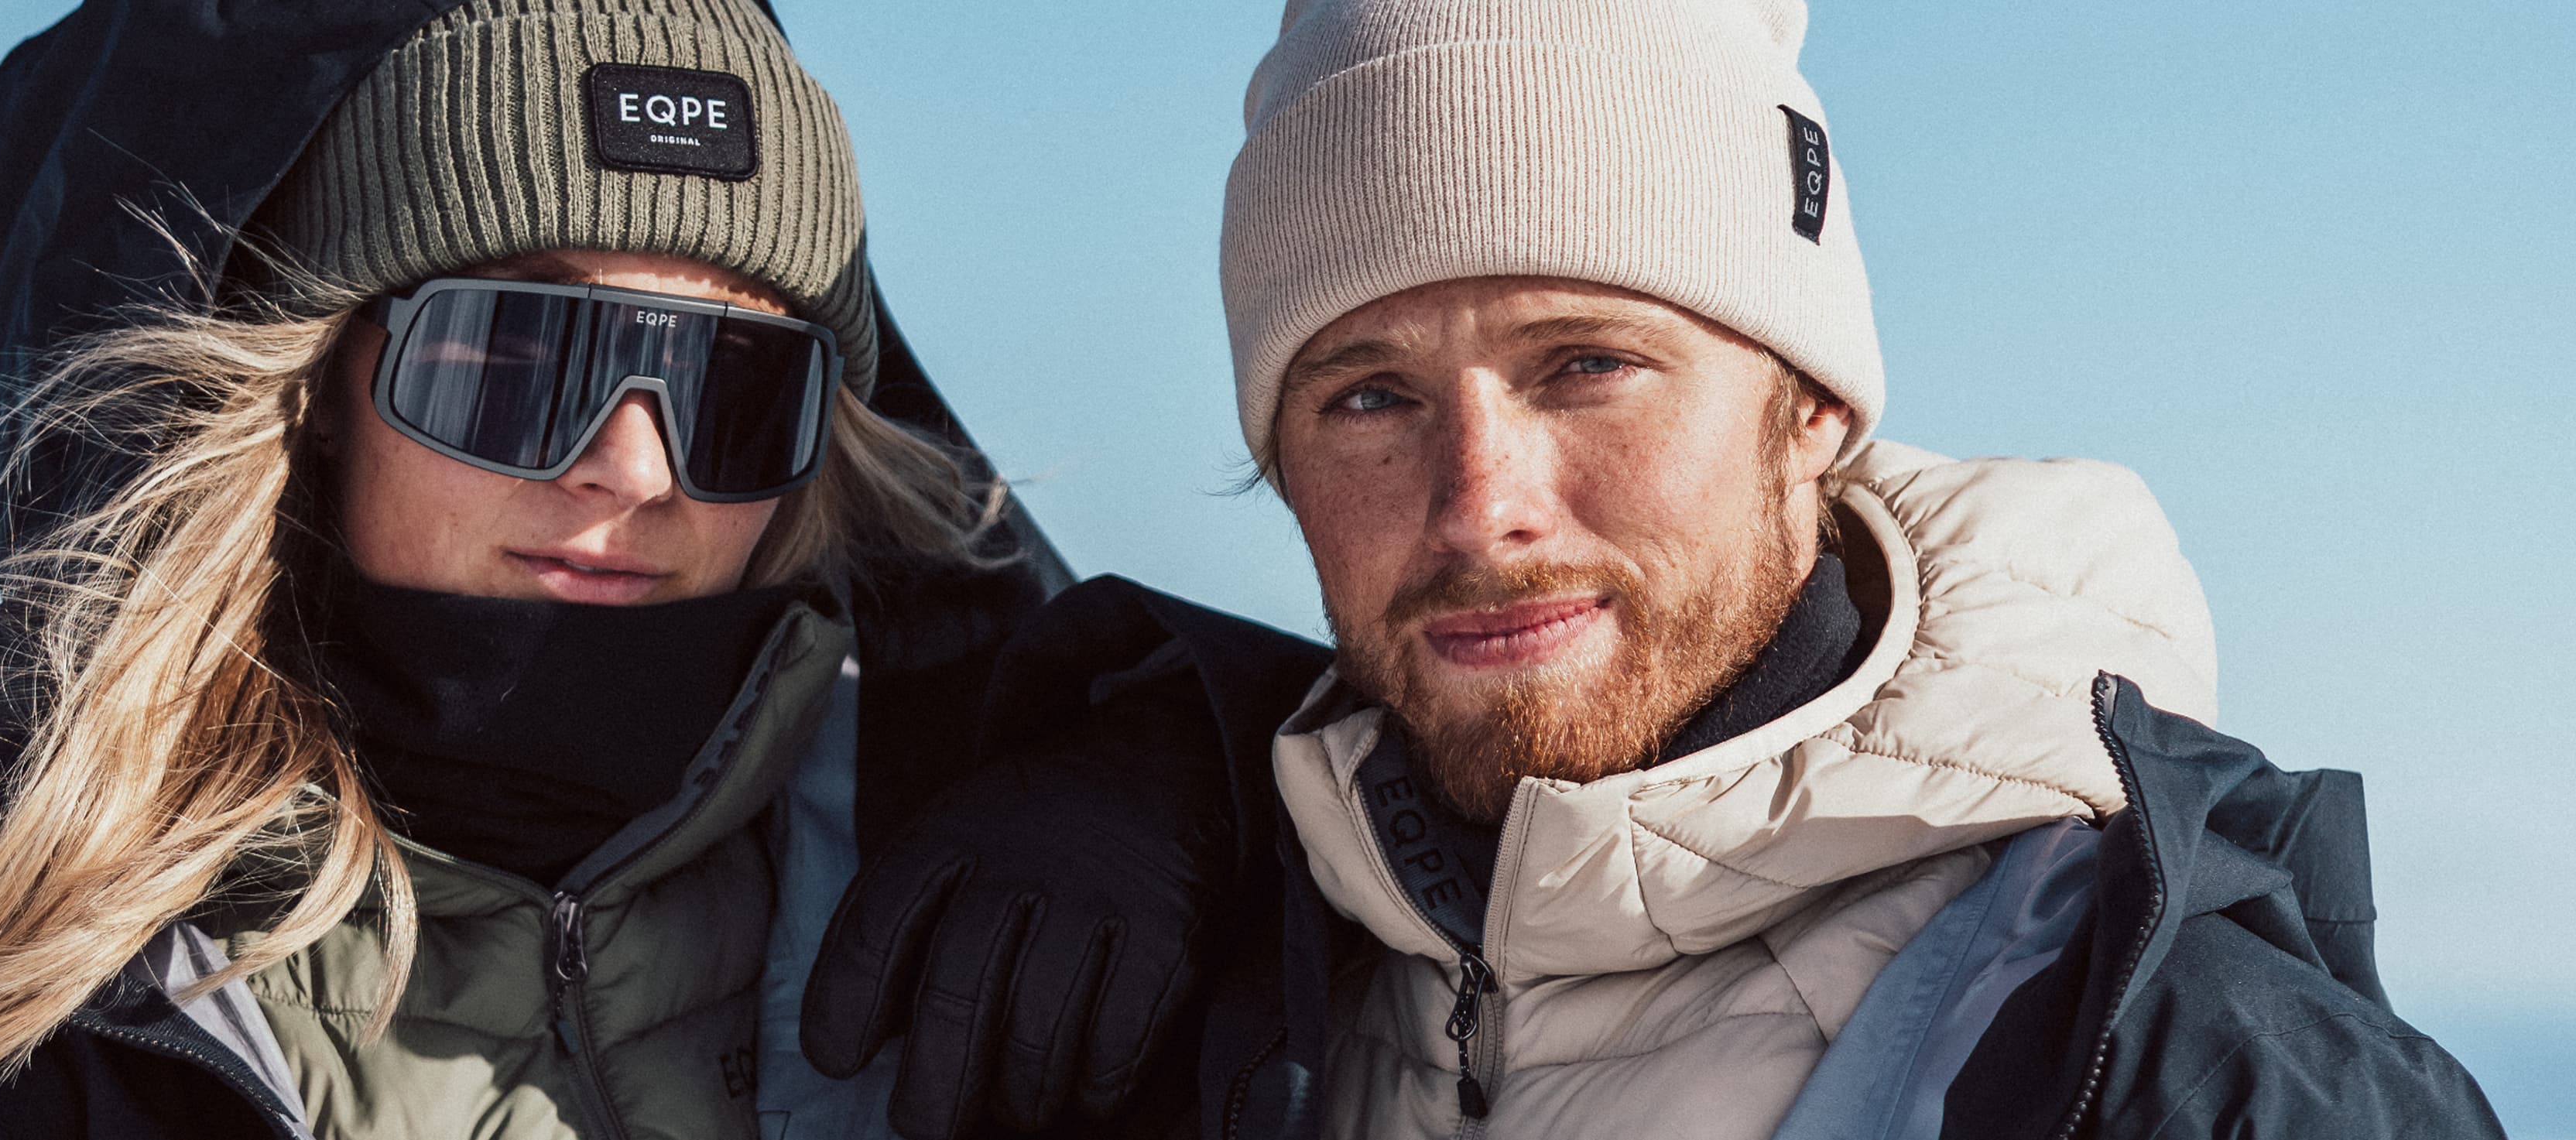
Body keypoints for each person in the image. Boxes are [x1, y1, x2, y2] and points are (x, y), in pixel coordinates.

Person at [819, 2, 2515, 1138]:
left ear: (1811, 404)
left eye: (1585, 365)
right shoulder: (1234, 978)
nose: (1483, 502)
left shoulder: (2165, 1059)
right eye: (1369, 396)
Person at [0, 2, 1262, 1137]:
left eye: (735, 386)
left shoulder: (1027, 900)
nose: (634, 464)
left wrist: (1197, 781)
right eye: (518, 352)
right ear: (321, 389)